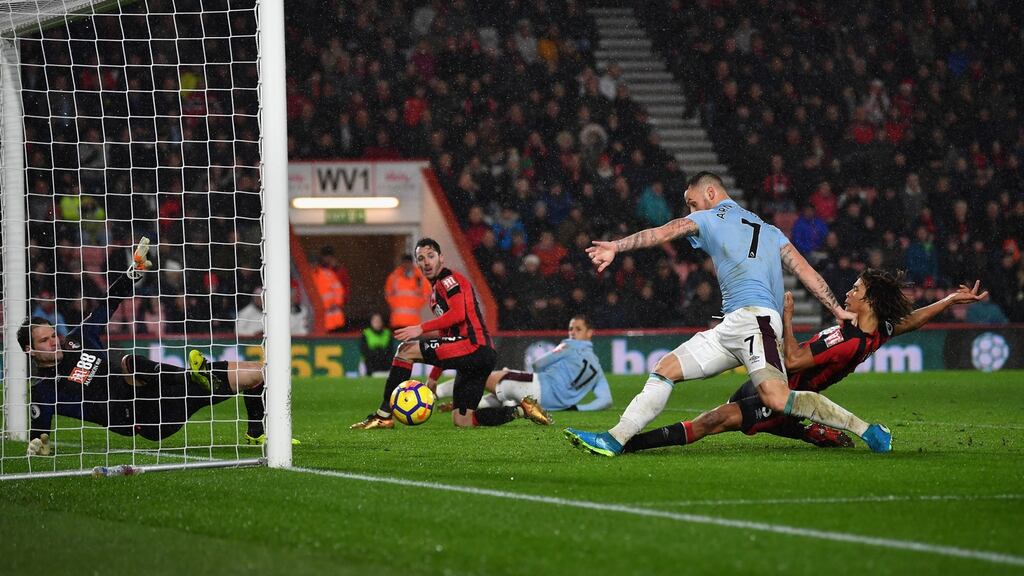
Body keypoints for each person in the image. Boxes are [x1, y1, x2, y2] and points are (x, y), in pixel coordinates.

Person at [565, 172, 890, 457]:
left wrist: (616, 247)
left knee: (776, 398)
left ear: (710, 194)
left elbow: (664, 232)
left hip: (757, 320)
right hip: (733, 324)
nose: (691, 211)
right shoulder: (771, 231)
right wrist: (833, 306)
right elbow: (805, 271)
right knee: (666, 369)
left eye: (692, 203)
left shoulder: (709, 217)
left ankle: (866, 430)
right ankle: (614, 439)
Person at [623, 275, 989, 454]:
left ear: (870, 301)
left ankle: (630, 444)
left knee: (716, 420)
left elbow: (794, 358)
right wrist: (950, 300)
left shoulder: (847, 340)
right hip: (769, 381)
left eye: (856, 290)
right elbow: (912, 320)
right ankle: (809, 430)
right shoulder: (878, 329)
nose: (848, 292)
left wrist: (787, 318)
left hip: (786, 391)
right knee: (742, 412)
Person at [20, 238, 271, 455]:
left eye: (53, 335)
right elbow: (38, 436)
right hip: (146, 417)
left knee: (256, 373)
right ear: (29, 350)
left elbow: (108, 303)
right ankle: (198, 374)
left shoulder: (76, 341)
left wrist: (133, 273)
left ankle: (255, 433)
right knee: (129, 363)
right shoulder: (44, 390)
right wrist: (39, 446)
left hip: (163, 385)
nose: (54, 342)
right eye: (44, 340)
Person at [349, 238, 550, 429]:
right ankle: (523, 410)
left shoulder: (448, 280)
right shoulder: (435, 293)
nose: (426, 262)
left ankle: (383, 416)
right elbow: (446, 334)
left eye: (431, 256)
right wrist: (435, 376)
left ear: (441, 258)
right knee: (463, 420)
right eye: (421, 258)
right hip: (479, 355)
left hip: (472, 346)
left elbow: (458, 314)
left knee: (405, 350)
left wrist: (421, 328)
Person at [432, 314, 610, 415]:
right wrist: (576, 408)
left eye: (577, 329)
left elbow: (539, 364)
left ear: (590, 333)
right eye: (571, 328)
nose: (572, 333)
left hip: (536, 385)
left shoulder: (568, 346)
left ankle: (434, 395)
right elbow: (605, 400)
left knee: (476, 376)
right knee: (501, 393)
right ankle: (465, 405)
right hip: (546, 404)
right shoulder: (597, 370)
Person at [384, 253, 431, 329]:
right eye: (404, 263)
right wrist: (395, 305)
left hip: (413, 321)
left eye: (408, 263)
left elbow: (426, 294)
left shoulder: (419, 277)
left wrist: (416, 305)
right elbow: (388, 294)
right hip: (397, 321)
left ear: (411, 263)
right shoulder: (394, 277)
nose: (406, 266)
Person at [313, 247, 346, 333]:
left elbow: (338, 289)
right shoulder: (307, 276)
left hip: (332, 314)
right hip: (318, 315)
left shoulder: (328, 273)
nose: (313, 265)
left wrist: (337, 303)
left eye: (315, 263)